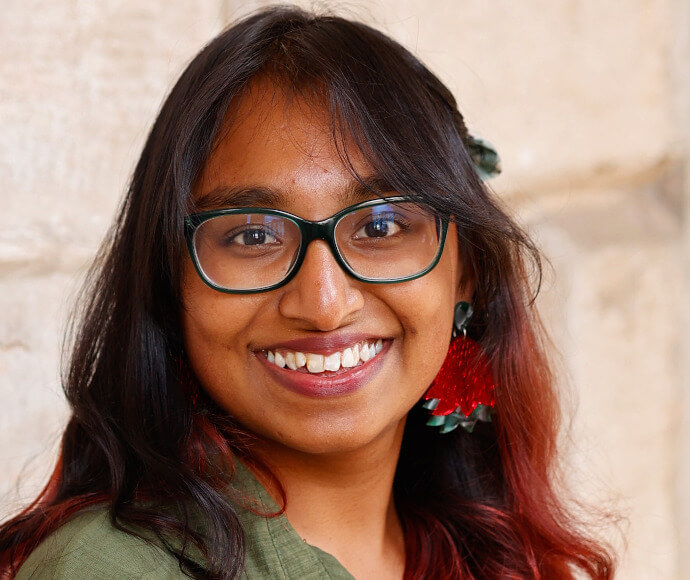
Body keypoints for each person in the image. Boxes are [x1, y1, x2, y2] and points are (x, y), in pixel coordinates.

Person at [0, 6, 615, 579]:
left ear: (467, 272)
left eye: (380, 226)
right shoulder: (110, 569)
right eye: (251, 235)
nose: (324, 304)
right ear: (170, 282)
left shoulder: (491, 551)